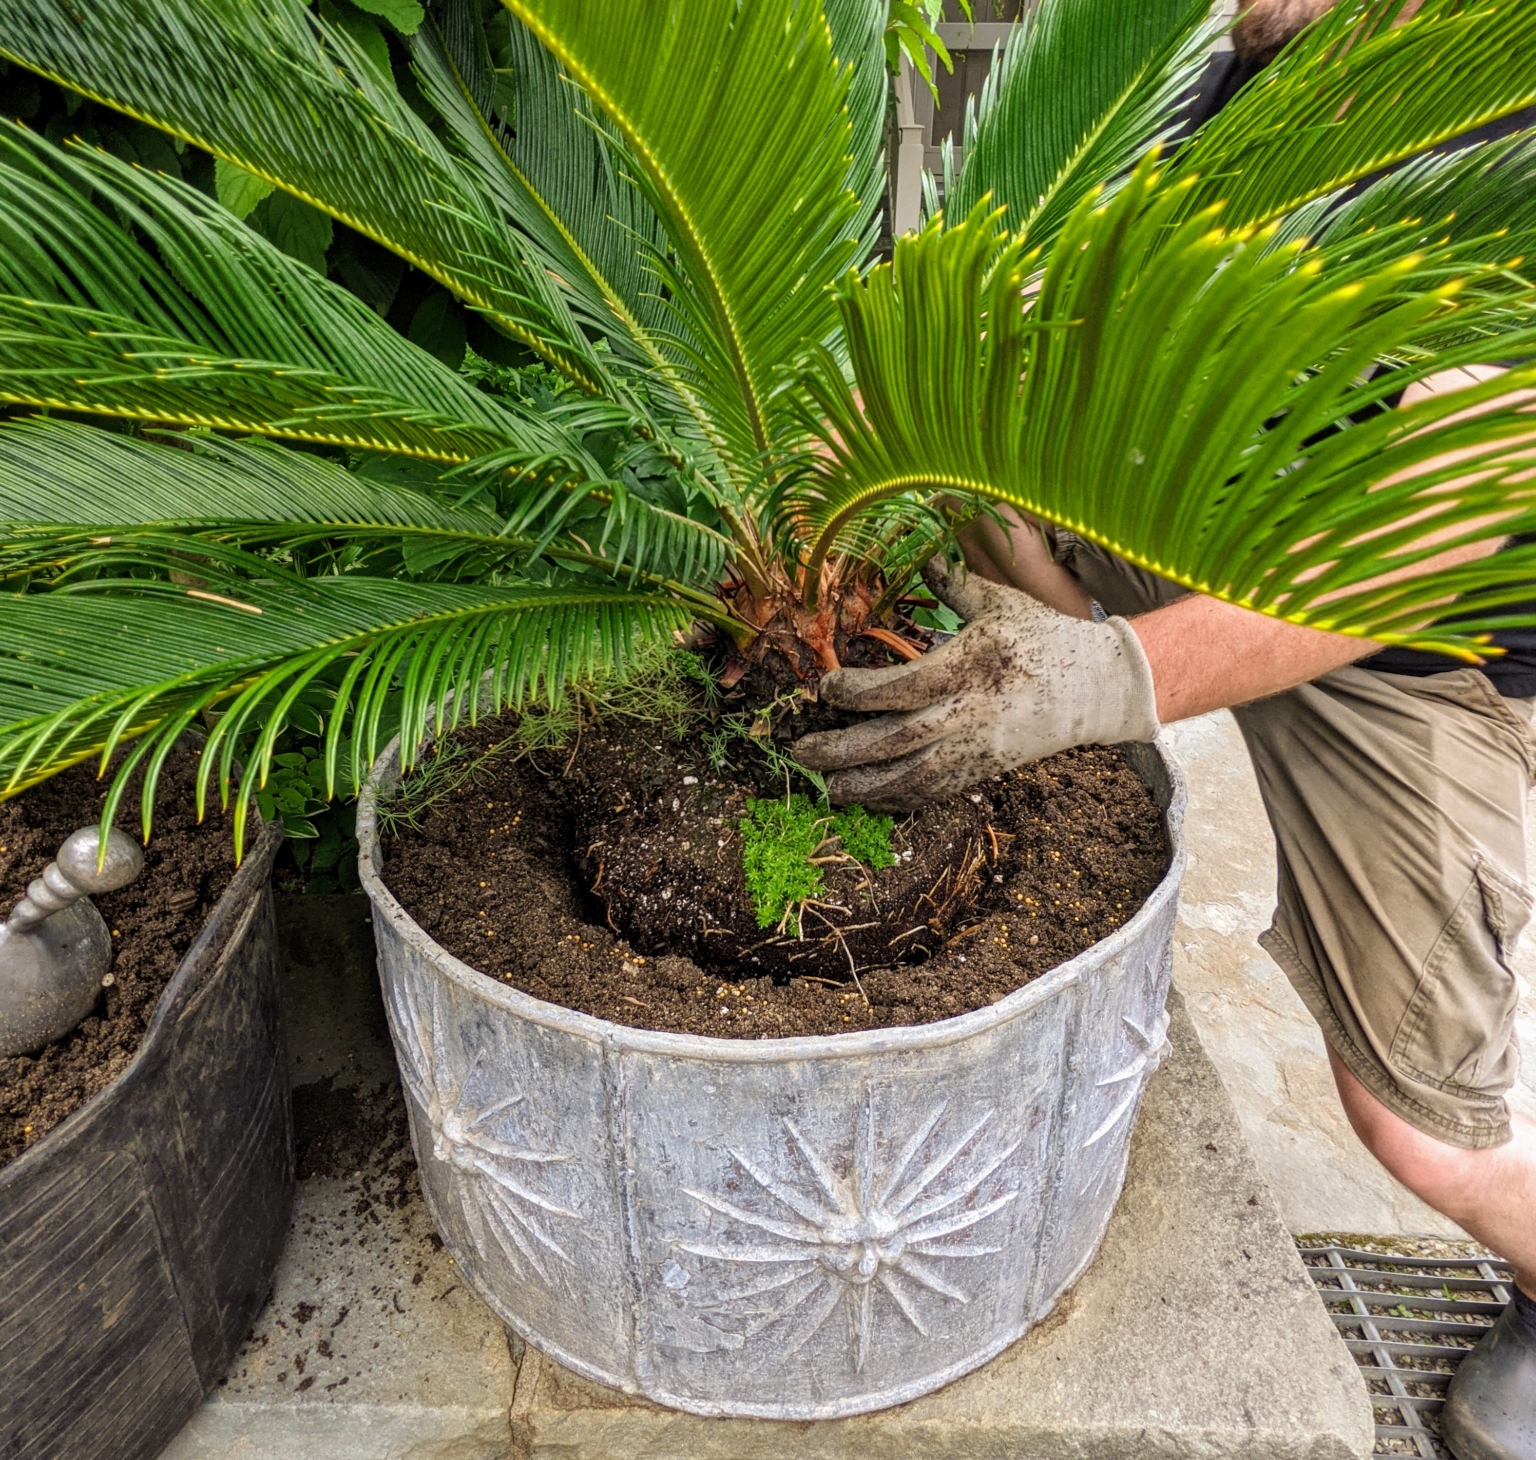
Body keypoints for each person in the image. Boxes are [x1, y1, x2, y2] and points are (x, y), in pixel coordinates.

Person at [795, 4, 1536, 1457]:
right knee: (968, 485)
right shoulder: (1235, 72)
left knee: (1422, 1128)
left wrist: (1109, 678)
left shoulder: (1497, 106)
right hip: (1206, 522)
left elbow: (1434, 533)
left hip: (1412, 650)